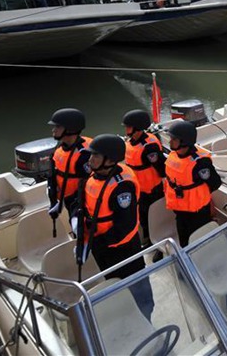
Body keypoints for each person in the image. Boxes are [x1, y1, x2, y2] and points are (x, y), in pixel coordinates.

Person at [73, 134, 153, 319]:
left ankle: (145, 318)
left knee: (137, 288)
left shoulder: (121, 186)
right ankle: (125, 314)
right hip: (101, 246)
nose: (90, 159)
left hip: (122, 249)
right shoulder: (92, 176)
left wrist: (99, 243)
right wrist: (78, 225)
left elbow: (125, 226)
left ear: (109, 160)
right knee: (114, 284)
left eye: (96, 156)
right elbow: (81, 203)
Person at [164, 121, 221, 247]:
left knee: (200, 242)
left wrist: (198, 193)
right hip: (180, 211)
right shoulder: (174, 155)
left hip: (197, 213)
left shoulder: (200, 163)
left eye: (174, 139)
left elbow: (215, 183)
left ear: (184, 141)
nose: (170, 142)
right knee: (184, 242)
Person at [122, 110, 166, 256]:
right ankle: (148, 240)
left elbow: (161, 167)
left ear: (137, 127)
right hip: (138, 190)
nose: (125, 129)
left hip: (152, 191)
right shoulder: (130, 143)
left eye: (128, 126)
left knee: (156, 218)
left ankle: (160, 243)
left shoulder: (149, 147)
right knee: (143, 218)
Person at [47, 108, 91, 222]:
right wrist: (54, 201)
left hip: (82, 203)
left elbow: (86, 185)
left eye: (58, 127)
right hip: (67, 199)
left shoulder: (84, 155)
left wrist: (76, 212)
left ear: (70, 129)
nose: (53, 130)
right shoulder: (59, 149)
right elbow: (52, 174)